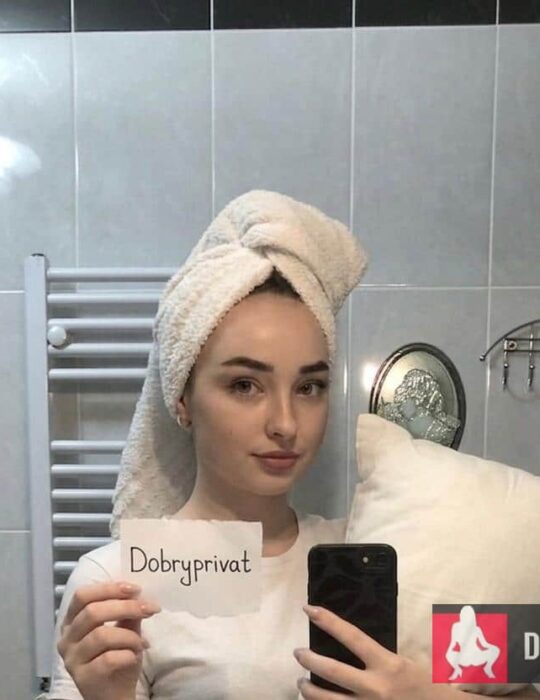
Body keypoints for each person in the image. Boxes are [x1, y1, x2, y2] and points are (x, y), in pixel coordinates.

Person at [39, 191, 539, 700]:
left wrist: (426, 697)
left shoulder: (383, 551)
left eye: (309, 387)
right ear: (182, 399)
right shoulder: (120, 582)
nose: (285, 423)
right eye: (244, 385)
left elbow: (525, 673)